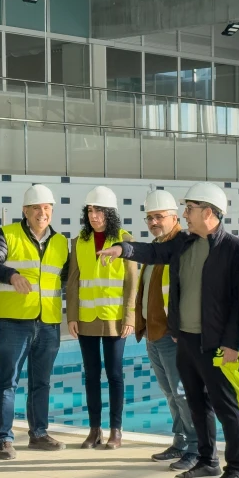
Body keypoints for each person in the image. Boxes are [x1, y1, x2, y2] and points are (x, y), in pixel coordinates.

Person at [99, 183, 239, 478]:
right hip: (186, 339)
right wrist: (122, 249)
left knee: (225, 405)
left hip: (216, 342)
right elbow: (153, 251)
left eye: (190, 210)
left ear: (208, 212)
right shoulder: (184, 244)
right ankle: (207, 460)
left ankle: (238, 468)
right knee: (196, 402)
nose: (185, 215)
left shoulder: (234, 248)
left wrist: (232, 343)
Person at [0, 184, 69, 459]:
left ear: (52, 211)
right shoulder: (7, 234)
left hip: (48, 321)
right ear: (25, 211)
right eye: (36, 208)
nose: (42, 213)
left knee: (41, 382)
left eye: (46, 208)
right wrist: (12, 275)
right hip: (14, 323)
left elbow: (64, 277)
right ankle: (4, 439)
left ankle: (39, 434)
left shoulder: (61, 242)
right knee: (8, 381)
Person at [66, 186, 137, 450]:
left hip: (115, 319)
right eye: (90, 211)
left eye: (99, 211)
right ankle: (94, 430)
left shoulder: (124, 239)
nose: (94, 216)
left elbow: (132, 281)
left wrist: (130, 316)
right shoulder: (79, 241)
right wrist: (71, 315)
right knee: (91, 375)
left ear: (110, 213)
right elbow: (73, 281)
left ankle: (115, 431)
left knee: (115, 374)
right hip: (86, 318)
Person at [136, 189, 198, 471]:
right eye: (150, 217)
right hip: (153, 335)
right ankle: (181, 440)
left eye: (159, 216)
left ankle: (197, 447)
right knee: (171, 394)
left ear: (175, 218)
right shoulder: (155, 247)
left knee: (183, 393)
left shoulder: (182, 246)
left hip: (173, 336)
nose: (153, 222)